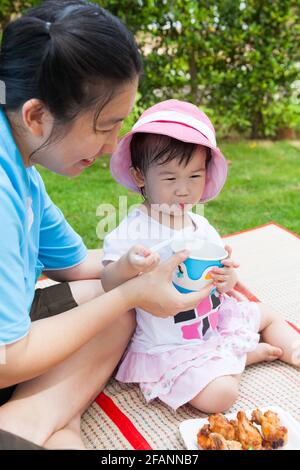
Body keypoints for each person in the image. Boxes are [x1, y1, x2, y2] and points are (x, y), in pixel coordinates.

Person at [0, 1, 213, 450]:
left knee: (117, 307)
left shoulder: (22, 167)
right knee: (121, 302)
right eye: (105, 126)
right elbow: (6, 358)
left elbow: (77, 265)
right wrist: (133, 291)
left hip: (14, 327)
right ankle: (29, 425)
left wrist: (158, 258)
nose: (113, 145)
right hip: (6, 353)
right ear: (37, 116)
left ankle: (62, 419)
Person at [101, 99, 300, 413]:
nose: (183, 190)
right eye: (169, 179)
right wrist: (127, 265)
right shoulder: (133, 230)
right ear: (140, 177)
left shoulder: (201, 225)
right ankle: (240, 358)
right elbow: (107, 283)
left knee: (265, 312)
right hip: (173, 344)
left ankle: (293, 351)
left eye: (194, 177)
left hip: (213, 321)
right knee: (220, 397)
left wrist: (228, 278)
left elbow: (223, 282)